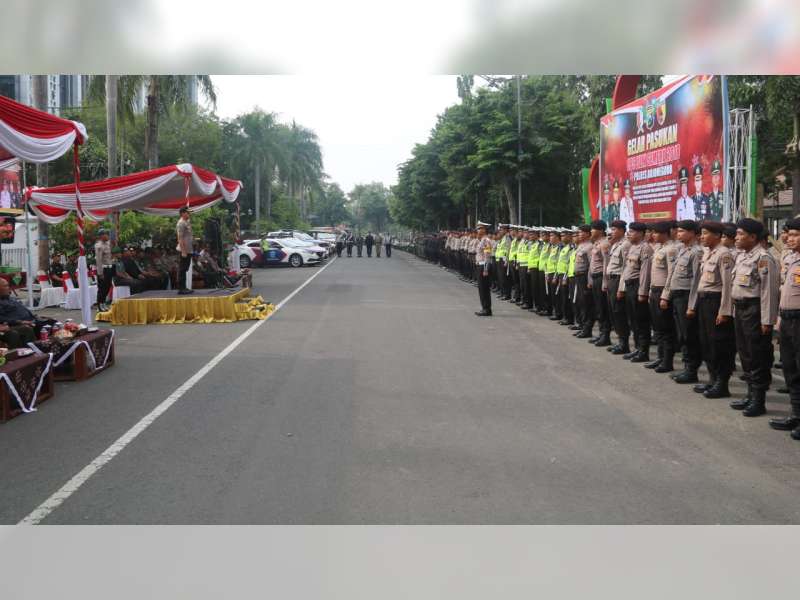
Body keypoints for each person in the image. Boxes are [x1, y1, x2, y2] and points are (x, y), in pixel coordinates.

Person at [727, 218, 780, 416]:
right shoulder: (742, 256)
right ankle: (750, 395)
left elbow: (769, 292)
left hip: (755, 310)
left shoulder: (764, 258)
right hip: (741, 310)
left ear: (753, 237)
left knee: (757, 355)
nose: (737, 237)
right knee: (745, 354)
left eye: (741, 234)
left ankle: (758, 400)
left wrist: (767, 320)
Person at [688, 221, 735, 398]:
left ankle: (722, 383)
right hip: (704, 300)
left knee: (719, 344)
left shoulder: (724, 255)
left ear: (717, 235)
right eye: (701, 233)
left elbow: (727, 286)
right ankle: (712, 379)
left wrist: (724, 311)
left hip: (716, 302)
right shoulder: (708, 253)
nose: (702, 237)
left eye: (706, 233)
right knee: (706, 342)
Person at [660, 220, 703, 384]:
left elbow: (696, 282)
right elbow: (672, 275)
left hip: (687, 297)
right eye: (678, 231)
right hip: (677, 296)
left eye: (682, 231)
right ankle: (687, 368)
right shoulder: (682, 251)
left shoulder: (696, 253)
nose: (678, 234)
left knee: (689, 335)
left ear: (692, 233)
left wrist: (692, 305)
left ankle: (692, 370)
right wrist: (667, 295)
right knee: (683, 335)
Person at [773, 217, 800, 440]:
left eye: (795, 235)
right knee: (790, 369)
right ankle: (796, 413)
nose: (790, 239)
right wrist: (780, 319)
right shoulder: (792, 260)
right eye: (789, 235)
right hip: (788, 320)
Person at [647, 221, 679, 372]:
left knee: (666, 329)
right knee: (658, 328)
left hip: (662, 292)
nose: (652, 235)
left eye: (655, 232)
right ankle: (660, 358)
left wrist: (665, 296)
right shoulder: (659, 248)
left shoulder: (671, 249)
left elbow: (671, 274)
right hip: (654, 290)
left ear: (664, 233)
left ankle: (667, 361)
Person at [620, 221, 653, 362]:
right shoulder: (633, 247)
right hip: (629, 285)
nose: (629, 234)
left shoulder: (645, 248)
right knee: (633, 319)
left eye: (632, 232)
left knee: (641, 321)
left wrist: (642, 292)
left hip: (638, 286)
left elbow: (645, 272)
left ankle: (643, 351)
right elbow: (626, 269)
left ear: (640, 233)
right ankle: (637, 348)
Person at [0, 278, 53, 347]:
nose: (8, 288)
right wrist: (20, 322)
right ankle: (34, 351)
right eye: (5, 286)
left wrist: (35, 316)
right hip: (17, 323)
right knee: (27, 329)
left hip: (31, 319)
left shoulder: (10, 298)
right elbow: (2, 318)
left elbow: (22, 309)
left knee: (51, 322)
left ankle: (54, 349)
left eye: (8, 285)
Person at [605, 220, 631, 355]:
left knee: (619, 312)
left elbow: (626, 268)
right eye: (611, 229)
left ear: (621, 230)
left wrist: (621, 287)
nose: (611, 232)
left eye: (614, 229)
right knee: (613, 312)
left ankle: (624, 343)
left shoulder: (626, 245)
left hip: (618, 281)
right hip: (611, 280)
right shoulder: (615, 244)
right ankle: (620, 341)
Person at [588, 220, 611, 346]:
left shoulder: (604, 244)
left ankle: (605, 335)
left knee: (603, 308)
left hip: (601, 279)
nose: (591, 231)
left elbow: (606, 264)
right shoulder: (597, 243)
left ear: (601, 230)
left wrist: (604, 282)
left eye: (593, 229)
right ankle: (601, 334)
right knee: (598, 307)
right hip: (595, 278)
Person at [474, 222, 494, 317]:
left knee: (484, 288)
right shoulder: (481, 240)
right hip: (480, 265)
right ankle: (485, 308)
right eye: (477, 228)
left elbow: (487, 256)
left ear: (484, 230)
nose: (478, 230)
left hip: (483, 266)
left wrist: (486, 269)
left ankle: (486, 309)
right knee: (482, 289)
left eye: (479, 228)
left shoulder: (486, 240)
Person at [176, 206, 194, 295]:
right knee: (182, 269)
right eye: (187, 212)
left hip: (189, 249)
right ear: (182, 213)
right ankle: (181, 288)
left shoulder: (186, 222)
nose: (189, 214)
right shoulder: (181, 223)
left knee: (185, 268)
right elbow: (180, 238)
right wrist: (183, 251)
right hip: (184, 250)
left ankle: (184, 287)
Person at [94, 229, 114, 311]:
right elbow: (98, 260)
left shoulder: (108, 244)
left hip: (109, 268)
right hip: (103, 269)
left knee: (108, 286)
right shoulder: (99, 246)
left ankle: (103, 302)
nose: (107, 236)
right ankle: (99, 304)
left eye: (107, 234)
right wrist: (100, 273)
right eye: (105, 234)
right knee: (102, 287)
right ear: (101, 236)